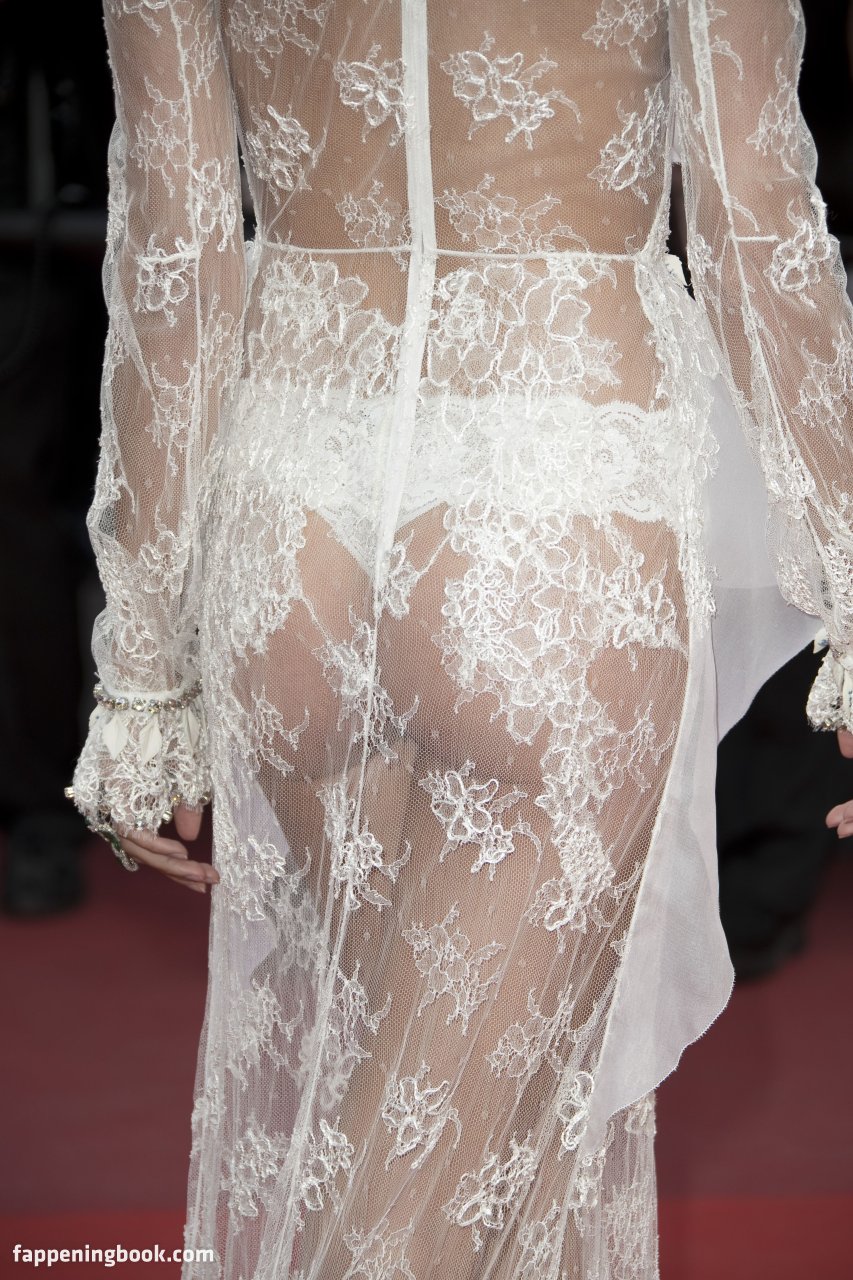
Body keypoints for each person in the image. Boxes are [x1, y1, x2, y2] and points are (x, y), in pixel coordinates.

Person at [64, 2, 853, 1276]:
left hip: (291, 533)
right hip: (557, 527)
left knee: (409, 1152)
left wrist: (145, 668)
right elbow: (756, 219)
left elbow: (173, 251)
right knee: (421, 1213)